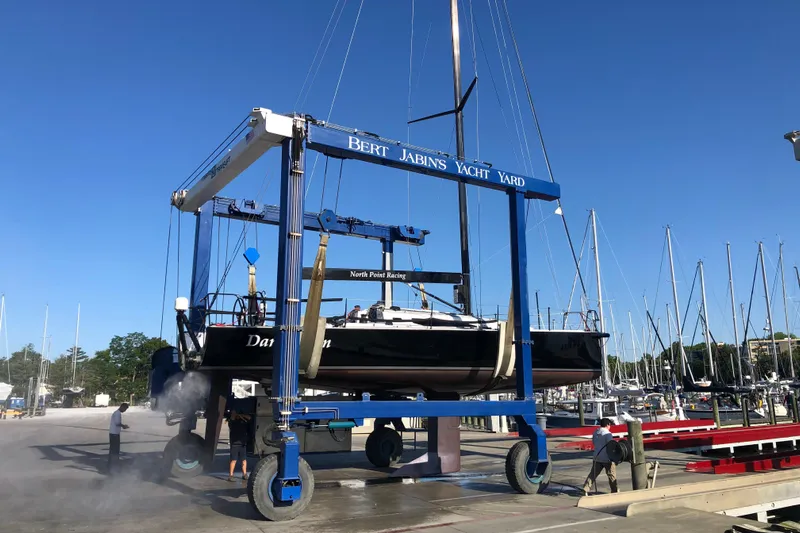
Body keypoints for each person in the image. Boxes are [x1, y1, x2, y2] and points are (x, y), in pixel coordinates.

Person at [582, 418, 618, 495]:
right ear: (608, 425)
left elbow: (594, 443)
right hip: (607, 458)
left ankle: (586, 488)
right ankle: (614, 491)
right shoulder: (608, 434)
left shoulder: (595, 432)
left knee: (593, 474)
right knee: (612, 475)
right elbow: (610, 446)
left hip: (597, 457)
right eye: (610, 425)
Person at [227, 410, 251, 482]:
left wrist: (241, 415)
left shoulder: (243, 422)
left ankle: (244, 474)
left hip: (243, 443)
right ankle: (230, 475)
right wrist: (236, 414)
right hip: (235, 444)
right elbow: (232, 417)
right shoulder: (232, 422)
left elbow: (249, 418)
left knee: (244, 460)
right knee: (234, 460)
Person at [108, 403, 130, 472]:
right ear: (122, 407)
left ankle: (111, 464)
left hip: (113, 433)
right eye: (125, 409)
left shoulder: (116, 413)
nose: (125, 410)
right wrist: (124, 426)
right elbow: (117, 423)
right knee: (115, 450)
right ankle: (113, 466)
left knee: (113, 450)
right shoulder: (117, 413)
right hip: (114, 434)